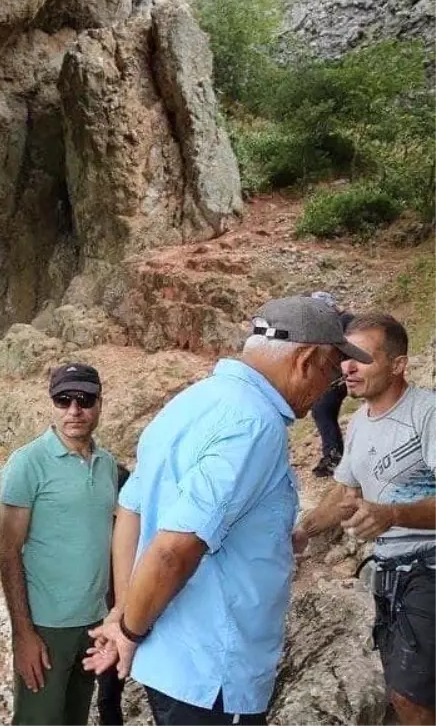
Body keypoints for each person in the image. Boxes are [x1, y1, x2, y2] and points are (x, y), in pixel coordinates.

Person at [84, 295, 371, 725]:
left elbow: (132, 511)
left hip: (174, 661)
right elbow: (173, 549)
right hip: (214, 675)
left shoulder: (191, 402)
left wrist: (124, 611)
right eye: (332, 373)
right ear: (306, 360)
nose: (328, 392)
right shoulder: (254, 424)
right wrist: (126, 632)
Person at [293, 313, 436, 725]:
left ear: (398, 364)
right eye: (345, 357)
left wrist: (393, 513)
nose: (348, 367)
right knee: (400, 690)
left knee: (411, 697)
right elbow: (345, 492)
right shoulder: (357, 423)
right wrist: (304, 531)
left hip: (429, 567)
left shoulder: (426, 413)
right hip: (389, 574)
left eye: (362, 358)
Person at [0, 363, 119, 726]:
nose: (74, 410)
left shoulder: (108, 464)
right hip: (46, 628)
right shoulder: (27, 463)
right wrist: (24, 634)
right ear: (52, 403)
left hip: (93, 626)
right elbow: (7, 551)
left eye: (84, 399)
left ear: (99, 402)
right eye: (63, 400)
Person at [96, 463, 131, 726]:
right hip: (110, 620)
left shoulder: (128, 534)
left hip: (116, 620)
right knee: (108, 697)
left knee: (108, 697)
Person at [308, 292, 355, 477]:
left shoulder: (345, 322)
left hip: (348, 374)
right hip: (342, 375)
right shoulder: (340, 322)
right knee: (322, 410)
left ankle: (334, 457)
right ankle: (334, 455)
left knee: (322, 410)